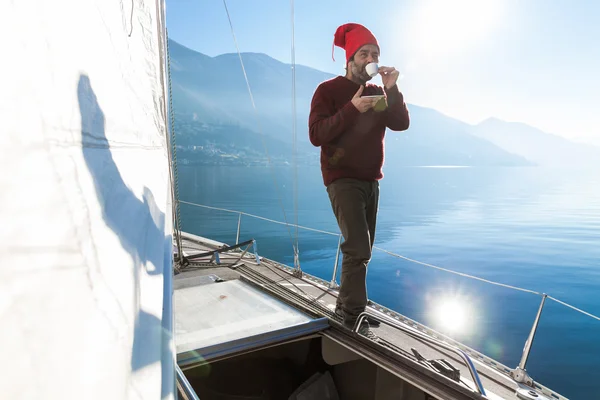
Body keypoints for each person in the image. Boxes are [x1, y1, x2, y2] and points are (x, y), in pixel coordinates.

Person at [308, 23, 410, 338]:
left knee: (364, 248)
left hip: (370, 181)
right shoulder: (328, 91)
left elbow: (400, 123)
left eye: (375, 54)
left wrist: (391, 88)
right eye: (363, 53)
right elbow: (317, 135)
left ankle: (353, 308)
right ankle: (348, 315)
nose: (370, 58)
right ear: (350, 59)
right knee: (357, 247)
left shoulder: (379, 93)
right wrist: (352, 108)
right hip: (342, 179)